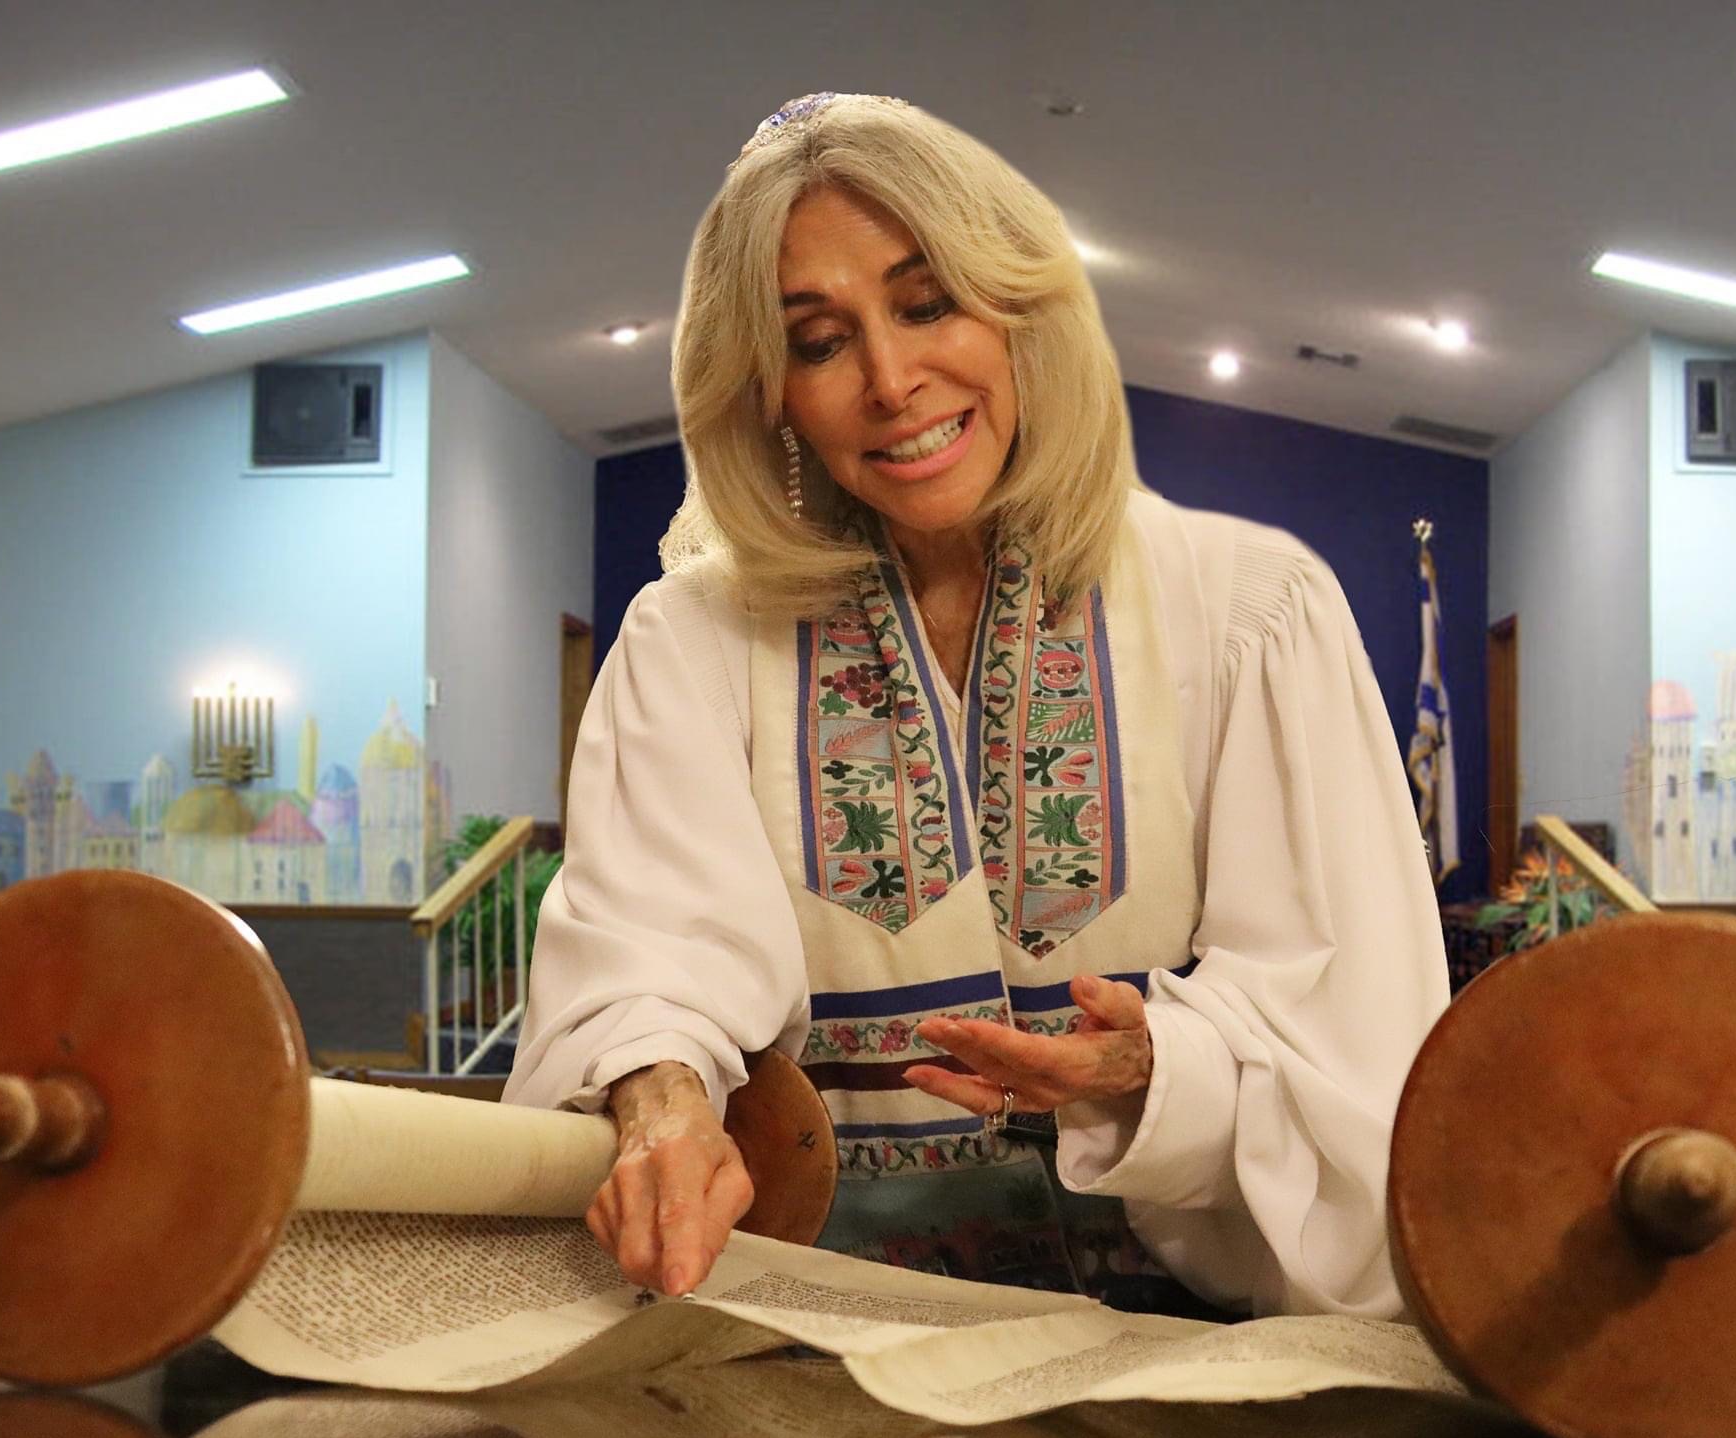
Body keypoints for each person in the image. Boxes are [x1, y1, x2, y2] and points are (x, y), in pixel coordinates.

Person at [505, 92, 1448, 1321]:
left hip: (1193, 1355)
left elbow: (1353, 1028)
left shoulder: (1247, 611)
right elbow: (646, 961)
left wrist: (1153, 1064)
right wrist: (661, 1100)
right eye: (818, 338)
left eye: (924, 303)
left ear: (1015, 312)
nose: (892, 382)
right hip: (825, 1350)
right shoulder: (691, 642)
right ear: (770, 390)